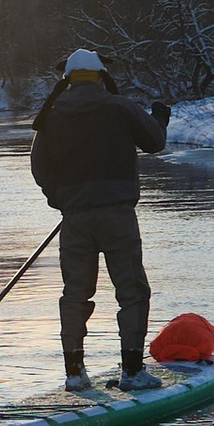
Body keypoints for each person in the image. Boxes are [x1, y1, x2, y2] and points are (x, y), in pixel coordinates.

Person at [29, 46, 169, 386]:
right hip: (118, 217)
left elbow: (38, 167)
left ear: (69, 80)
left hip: (75, 220)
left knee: (75, 293)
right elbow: (155, 142)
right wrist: (160, 117)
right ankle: (133, 371)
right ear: (100, 76)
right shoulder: (119, 107)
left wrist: (60, 199)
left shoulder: (52, 115)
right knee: (132, 292)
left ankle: (75, 374)